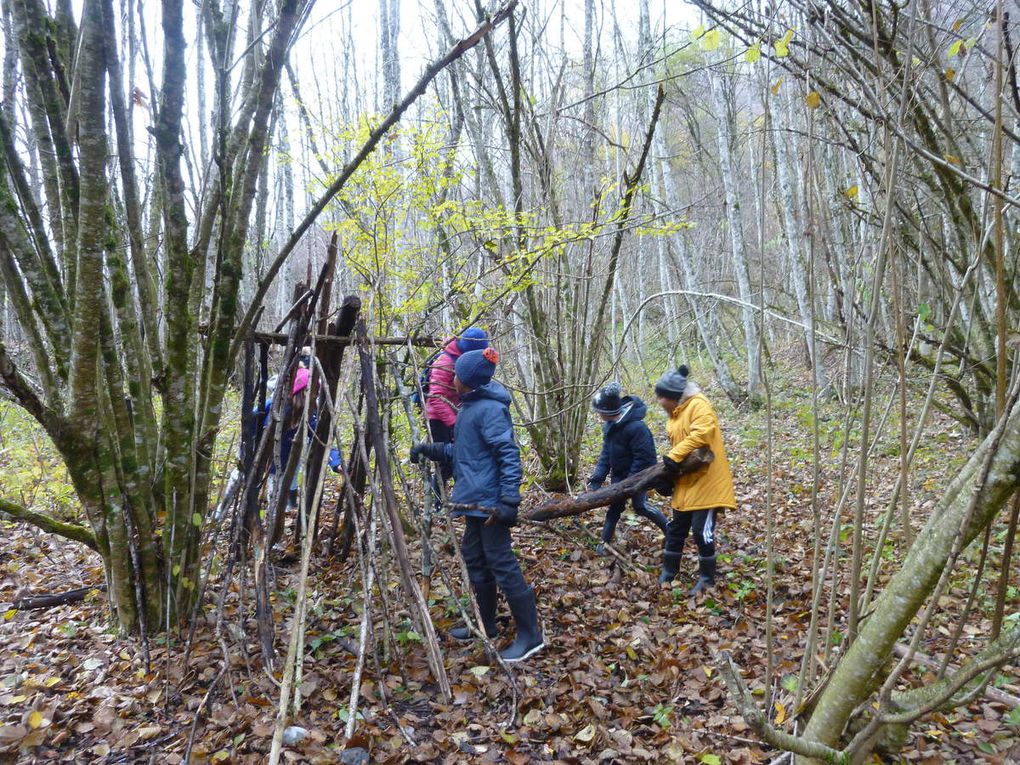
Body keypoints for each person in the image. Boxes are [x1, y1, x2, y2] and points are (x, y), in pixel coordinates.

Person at [410, 348, 544, 663]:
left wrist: (509, 498)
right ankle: (486, 625)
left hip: (490, 505)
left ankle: (531, 634)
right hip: (472, 502)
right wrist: (430, 449)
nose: (451, 378)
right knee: (475, 559)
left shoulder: (490, 411)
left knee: (502, 563)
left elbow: (508, 454)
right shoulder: (470, 408)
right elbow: (464, 452)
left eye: (456, 373)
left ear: (466, 381)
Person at [654, 365, 736, 594]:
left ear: (674, 396)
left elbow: (701, 435)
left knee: (702, 530)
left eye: (661, 397)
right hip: (686, 482)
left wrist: (673, 457)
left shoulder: (699, 406)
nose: (659, 401)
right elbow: (680, 446)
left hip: (707, 481)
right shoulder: (675, 414)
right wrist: (668, 476)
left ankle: (707, 580)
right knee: (676, 528)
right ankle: (669, 573)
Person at [587, 382, 668, 555]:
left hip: (639, 477)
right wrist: (597, 479)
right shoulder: (609, 427)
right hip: (620, 476)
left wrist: (631, 483)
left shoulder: (637, 428)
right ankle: (605, 542)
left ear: (608, 411)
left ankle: (670, 531)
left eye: (599, 411)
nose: (598, 415)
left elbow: (645, 458)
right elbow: (605, 455)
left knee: (640, 506)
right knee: (614, 508)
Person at [422, 328, 489, 465]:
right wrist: (455, 423)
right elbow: (436, 397)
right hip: (438, 418)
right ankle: (434, 483)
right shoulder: (445, 362)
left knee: (457, 458)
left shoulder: (465, 359)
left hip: (456, 414)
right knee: (446, 462)